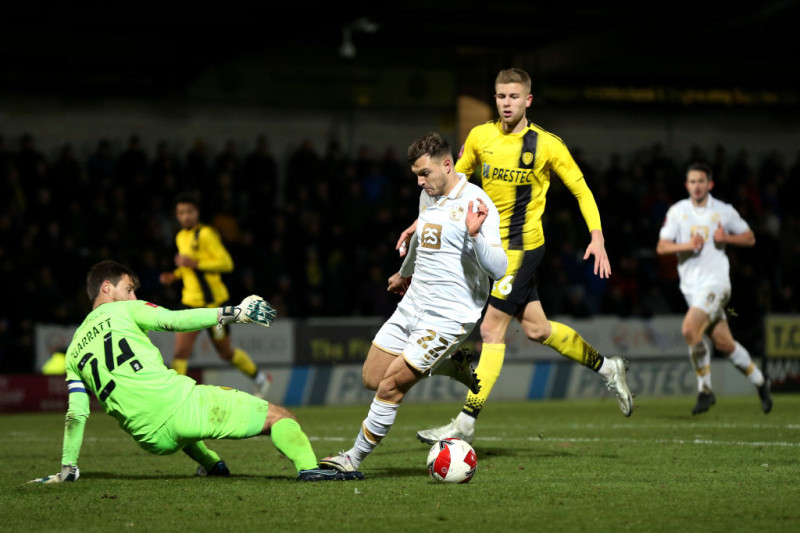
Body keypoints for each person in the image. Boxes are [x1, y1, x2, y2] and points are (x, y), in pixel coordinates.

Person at [402, 68, 632, 446]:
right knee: (538, 329)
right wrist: (418, 223)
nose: (506, 103)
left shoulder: (546, 145)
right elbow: (449, 189)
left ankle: (465, 423)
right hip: (487, 249)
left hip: (523, 249)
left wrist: (597, 236)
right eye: (500, 96)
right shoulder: (479, 137)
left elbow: (582, 190)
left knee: (492, 330)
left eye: (513, 96)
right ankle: (610, 367)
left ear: (528, 100)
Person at [29, 260, 362, 483]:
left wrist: (67, 467)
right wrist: (232, 312)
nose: (133, 295)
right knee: (282, 417)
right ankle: (309, 470)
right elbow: (175, 320)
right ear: (107, 288)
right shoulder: (125, 310)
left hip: (150, 438)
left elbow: (77, 414)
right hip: (183, 407)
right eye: (129, 289)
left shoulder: (73, 351)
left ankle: (213, 464)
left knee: (177, 424)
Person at [319, 132, 507, 474]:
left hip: (449, 315)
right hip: (414, 302)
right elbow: (423, 239)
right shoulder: (429, 197)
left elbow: (500, 267)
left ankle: (352, 459)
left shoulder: (477, 203)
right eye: (417, 176)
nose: (420, 182)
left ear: (447, 165)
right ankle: (451, 365)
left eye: (425, 174)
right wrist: (403, 272)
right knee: (373, 377)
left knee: (392, 386)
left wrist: (475, 236)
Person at [656, 163, 772, 415]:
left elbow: (750, 237)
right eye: (692, 181)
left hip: (717, 284)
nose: (696, 186)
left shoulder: (723, 211)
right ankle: (761, 382)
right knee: (725, 345)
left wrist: (727, 239)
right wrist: (686, 245)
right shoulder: (677, 211)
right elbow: (662, 247)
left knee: (689, 328)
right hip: (691, 288)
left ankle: (705, 391)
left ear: (710, 184)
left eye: (701, 181)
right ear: (687, 185)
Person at [159, 193, 272, 398]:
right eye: (181, 213)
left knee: (225, 352)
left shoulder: (206, 234)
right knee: (180, 352)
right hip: (190, 304)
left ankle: (260, 379)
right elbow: (187, 269)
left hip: (213, 305)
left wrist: (194, 264)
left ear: (197, 213)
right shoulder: (180, 237)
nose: (185, 216)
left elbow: (226, 264)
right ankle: (175, 398)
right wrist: (174, 276)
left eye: (189, 212)